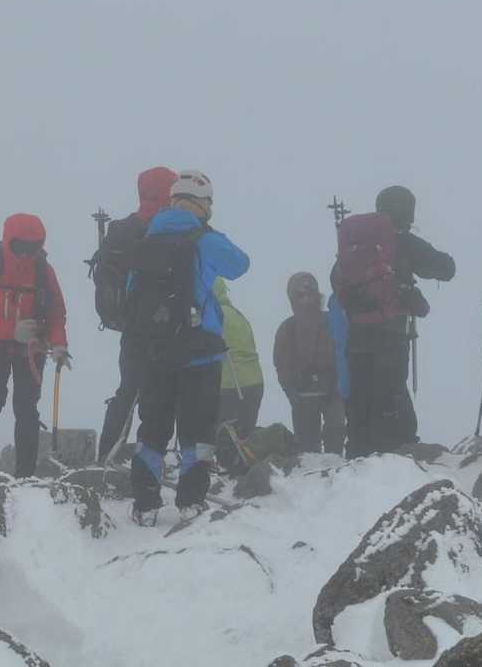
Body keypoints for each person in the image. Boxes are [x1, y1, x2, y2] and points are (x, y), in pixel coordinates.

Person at [129, 170, 251, 523]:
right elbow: (240, 264)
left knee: (152, 426)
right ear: (202, 203)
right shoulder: (204, 239)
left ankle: (145, 503)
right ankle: (191, 502)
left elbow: (132, 294)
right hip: (199, 350)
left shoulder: (148, 239)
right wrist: (209, 233)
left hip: (155, 350)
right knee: (197, 430)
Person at [334, 185, 455, 458]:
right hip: (392, 330)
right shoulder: (403, 241)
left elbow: (336, 279)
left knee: (361, 389)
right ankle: (395, 450)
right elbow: (447, 269)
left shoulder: (353, 244)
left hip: (357, 332)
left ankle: (358, 452)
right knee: (390, 390)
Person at [0, 213, 71, 477]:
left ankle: (25, 475)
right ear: (8, 240)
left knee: (26, 408)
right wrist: (12, 330)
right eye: (20, 246)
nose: (25, 254)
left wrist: (59, 344)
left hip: (31, 349)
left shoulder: (43, 271)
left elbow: (56, 313)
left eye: (32, 247)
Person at [93, 167, 178, 463]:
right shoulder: (168, 227)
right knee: (163, 393)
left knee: (128, 391)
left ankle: (107, 455)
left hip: (130, 326)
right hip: (165, 326)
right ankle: (151, 458)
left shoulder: (123, 229)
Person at [273, 272, 345, 454]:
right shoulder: (287, 328)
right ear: (292, 299)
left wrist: (339, 383)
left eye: (310, 293)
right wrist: (292, 392)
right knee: (308, 453)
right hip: (303, 396)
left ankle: (336, 471)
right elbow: (281, 365)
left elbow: (343, 352)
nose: (306, 299)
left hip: (332, 391)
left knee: (335, 443)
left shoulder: (331, 320)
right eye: (300, 295)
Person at [215, 277, 263, 466]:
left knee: (223, 435)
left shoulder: (213, 314)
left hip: (229, 383)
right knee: (244, 437)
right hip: (254, 382)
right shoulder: (237, 314)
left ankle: (229, 469)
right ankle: (245, 471)